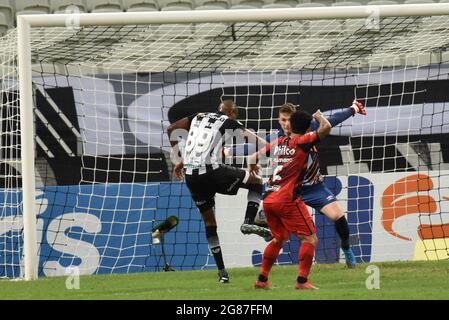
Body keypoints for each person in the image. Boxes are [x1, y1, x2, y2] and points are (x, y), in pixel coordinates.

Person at [227, 101, 366, 267]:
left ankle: (346, 249)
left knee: (338, 216)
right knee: (258, 218)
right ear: (278, 120)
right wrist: (228, 151)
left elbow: (333, 120)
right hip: (287, 190)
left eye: (289, 120)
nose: (286, 124)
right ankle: (268, 229)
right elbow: (253, 148)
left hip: (314, 188)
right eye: (283, 120)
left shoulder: (309, 129)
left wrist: (353, 109)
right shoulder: (277, 139)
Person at [167, 100, 271, 283]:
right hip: (211, 172)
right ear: (233, 113)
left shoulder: (198, 116)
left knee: (209, 222)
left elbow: (172, 129)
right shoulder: (230, 122)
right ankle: (248, 222)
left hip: (191, 175)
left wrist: (178, 159)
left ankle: (222, 273)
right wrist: (267, 153)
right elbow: (260, 143)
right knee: (256, 181)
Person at [248, 109, 332, 290]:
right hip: (286, 199)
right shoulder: (302, 142)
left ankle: (262, 280)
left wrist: (253, 165)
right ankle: (302, 282)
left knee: (279, 238)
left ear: (290, 125)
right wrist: (317, 116)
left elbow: (253, 157)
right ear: (308, 127)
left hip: (269, 197)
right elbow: (326, 127)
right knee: (310, 239)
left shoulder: (278, 142)